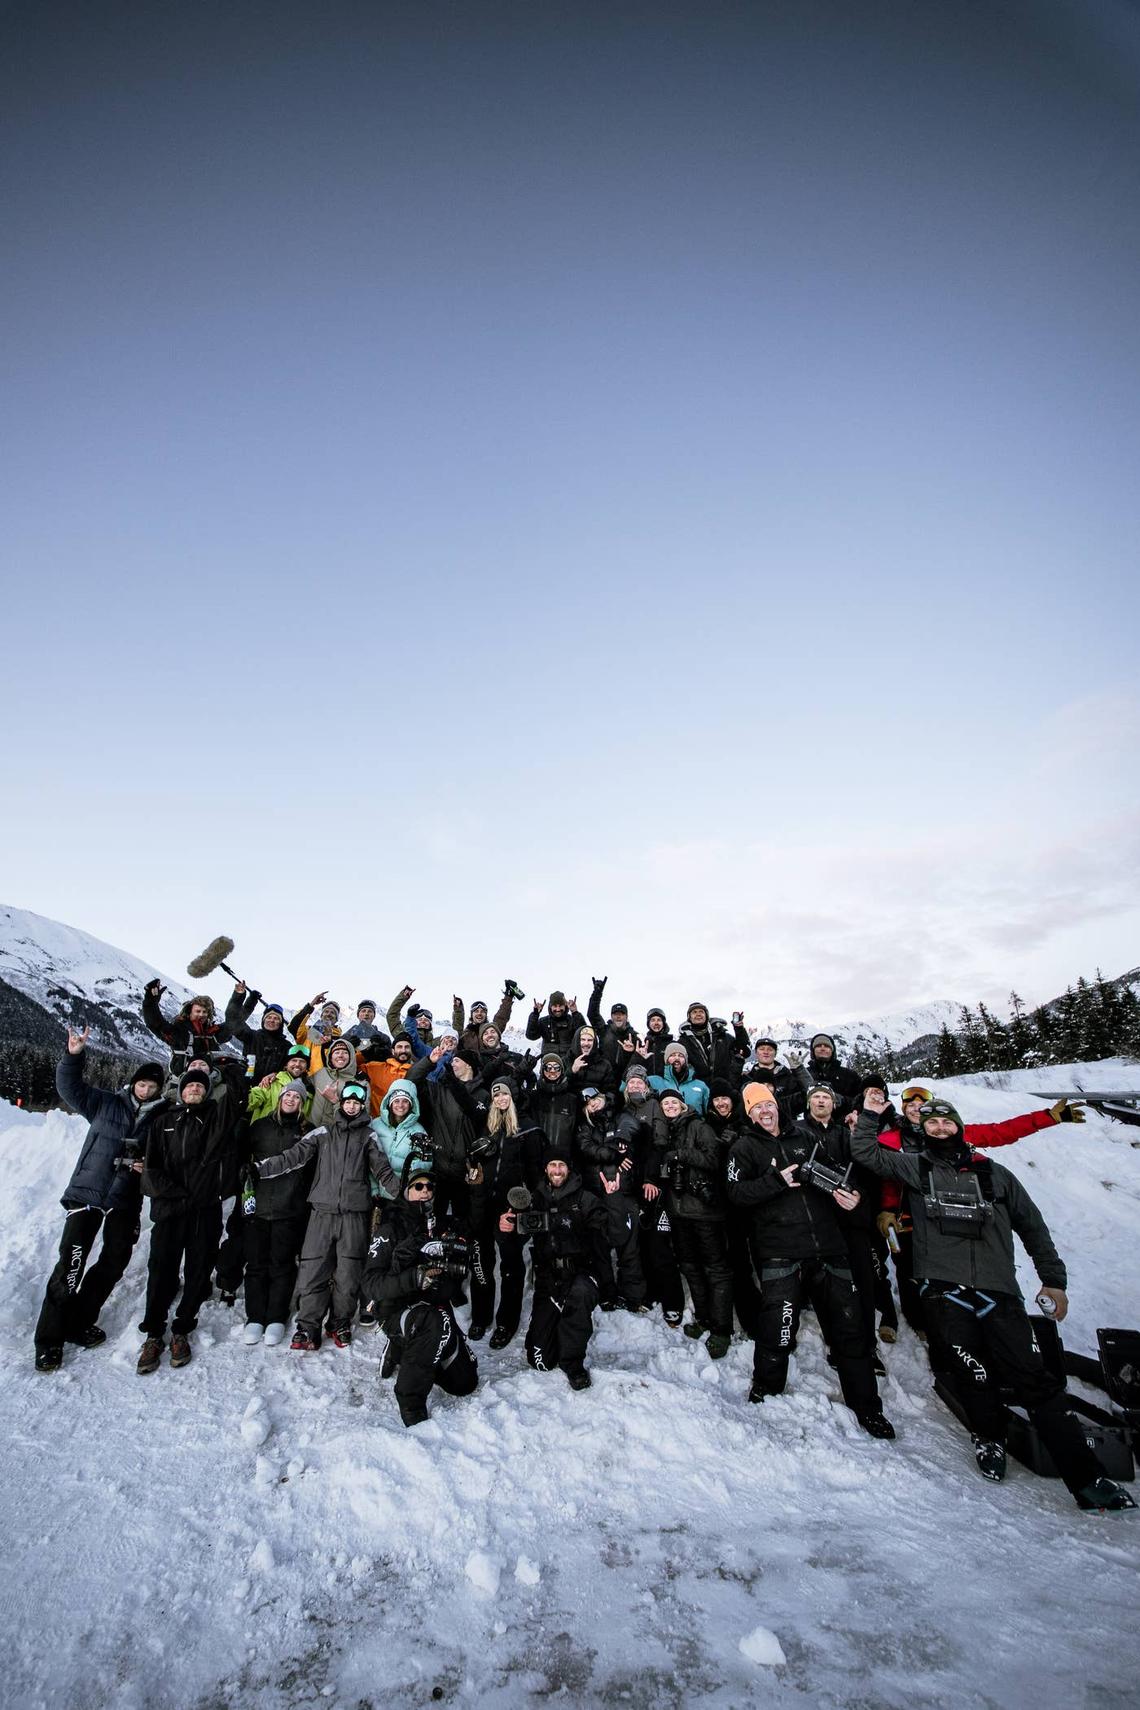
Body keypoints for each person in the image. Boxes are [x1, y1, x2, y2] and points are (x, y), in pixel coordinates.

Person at [851, 1090, 1133, 1508]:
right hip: (944, 1293)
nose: (940, 1128)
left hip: (997, 1292)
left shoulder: (995, 1174)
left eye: (947, 1122)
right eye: (931, 1123)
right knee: (974, 1374)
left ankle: (1085, 1477)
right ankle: (988, 1438)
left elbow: (1033, 1227)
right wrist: (872, 1115)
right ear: (922, 1130)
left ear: (960, 1127)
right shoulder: (915, 1168)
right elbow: (867, 1153)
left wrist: (1053, 1280)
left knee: (1035, 1382)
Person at [726, 1094, 895, 1438]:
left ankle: (867, 1407)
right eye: (756, 1106)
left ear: (777, 1107)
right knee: (778, 1328)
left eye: (768, 1104)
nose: (764, 1110)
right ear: (750, 1113)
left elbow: (839, 1173)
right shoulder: (743, 1148)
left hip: (829, 1248)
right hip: (779, 1251)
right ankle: (766, 1391)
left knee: (850, 1331)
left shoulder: (805, 1136)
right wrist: (776, 1181)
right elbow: (734, 1194)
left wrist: (851, 1195)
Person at [874, 1086, 1087, 1339]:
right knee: (909, 1269)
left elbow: (999, 1132)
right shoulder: (892, 1139)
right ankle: (920, 1321)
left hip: (953, 1215)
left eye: (923, 1104)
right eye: (911, 1104)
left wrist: (1047, 1117)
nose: (916, 1108)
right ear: (904, 1108)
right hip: (909, 1216)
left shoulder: (955, 1132)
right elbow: (886, 1176)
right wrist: (887, 1208)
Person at [34, 1029, 166, 1372]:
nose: (146, 1090)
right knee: (72, 1266)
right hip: (88, 1196)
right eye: (142, 1084)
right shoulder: (106, 1102)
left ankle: (78, 1323)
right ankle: (48, 1340)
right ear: (134, 1083)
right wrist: (73, 1055)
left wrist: (146, 1165)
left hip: (124, 1200)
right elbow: (70, 1088)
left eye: (153, 1087)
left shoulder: (159, 1120)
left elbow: (166, 1157)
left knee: (114, 1261)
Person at [255, 1080, 398, 1350]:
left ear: (362, 1105)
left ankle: (340, 1322)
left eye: (357, 1102)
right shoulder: (322, 1132)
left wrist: (407, 1194)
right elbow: (291, 1157)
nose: (352, 1106)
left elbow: (383, 1171)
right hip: (321, 1213)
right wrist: (259, 1169)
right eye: (348, 1101)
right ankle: (308, 1326)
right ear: (341, 1104)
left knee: (348, 1274)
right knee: (313, 1270)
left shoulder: (368, 1136)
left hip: (354, 1215)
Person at [136, 1067, 240, 1373]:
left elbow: (233, 1100)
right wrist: (176, 1193)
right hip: (170, 1209)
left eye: (200, 1086)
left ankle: (182, 1328)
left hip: (204, 1210)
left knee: (199, 1270)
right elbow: (150, 1171)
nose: (194, 1089)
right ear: (180, 1090)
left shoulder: (214, 1118)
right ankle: (154, 1333)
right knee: (160, 1269)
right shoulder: (163, 1122)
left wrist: (231, 1070)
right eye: (189, 1085)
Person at [361, 1163, 479, 1427]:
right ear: (406, 1191)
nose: (424, 1191)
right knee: (431, 1322)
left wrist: (477, 1189)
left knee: (465, 1383)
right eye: (418, 1186)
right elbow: (371, 1284)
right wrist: (414, 1278)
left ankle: (411, 1353)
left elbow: (474, 1224)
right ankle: (410, 1400)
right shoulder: (390, 1229)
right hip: (398, 1309)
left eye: (429, 1187)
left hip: (435, 1306)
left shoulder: (440, 1226)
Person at [499, 1141, 612, 1390]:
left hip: (581, 1272)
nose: (557, 1170)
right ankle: (554, 1325)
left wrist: (606, 1284)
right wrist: (508, 1227)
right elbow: (518, 1235)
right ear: (546, 1169)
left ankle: (573, 1362)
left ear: (569, 1169)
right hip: (549, 1277)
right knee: (540, 1360)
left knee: (579, 1297)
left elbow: (604, 1240)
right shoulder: (536, 1198)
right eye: (552, 1165)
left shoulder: (586, 1199)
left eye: (562, 1165)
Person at [466, 1077, 541, 1345]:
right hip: (481, 1205)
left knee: (511, 1266)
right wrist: (472, 1170)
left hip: (510, 1207)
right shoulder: (484, 1127)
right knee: (481, 1263)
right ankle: (480, 1317)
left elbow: (534, 1173)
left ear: (511, 1098)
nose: (500, 1099)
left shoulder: (523, 1130)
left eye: (504, 1095)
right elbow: (472, 1163)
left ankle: (506, 1323)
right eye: (496, 1095)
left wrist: (524, 1205)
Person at [659, 1088, 733, 1357]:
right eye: (665, 1103)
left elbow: (714, 1160)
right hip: (678, 1212)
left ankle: (722, 1328)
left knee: (716, 1269)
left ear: (683, 1105)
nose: (669, 1106)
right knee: (690, 1267)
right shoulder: (664, 1131)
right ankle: (704, 1318)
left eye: (673, 1102)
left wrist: (681, 1155)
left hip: (704, 1211)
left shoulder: (698, 1126)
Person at [242, 1079, 315, 1346]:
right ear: (280, 1097)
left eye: (297, 1098)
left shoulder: (308, 1131)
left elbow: (313, 1171)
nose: (291, 1100)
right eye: (288, 1095)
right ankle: (255, 1317)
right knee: (257, 1264)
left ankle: (276, 1317)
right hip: (258, 1207)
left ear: (302, 1103)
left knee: (282, 1265)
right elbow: (243, 1159)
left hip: (290, 1208)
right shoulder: (260, 1127)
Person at [575, 1089, 648, 1312]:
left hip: (623, 1191)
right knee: (599, 1247)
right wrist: (616, 1154)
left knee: (630, 1246)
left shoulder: (620, 1116)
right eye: (588, 1104)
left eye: (596, 1099)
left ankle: (633, 1296)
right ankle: (607, 1293)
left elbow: (632, 1125)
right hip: (597, 1193)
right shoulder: (585, 1127)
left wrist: (622, 1138)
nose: (594, 1105)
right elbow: (588, 1149)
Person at [141, 980, 231, 1079]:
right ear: (190, 1011)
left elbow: (235, 1022)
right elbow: (155, 1024)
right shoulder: (179, 1031)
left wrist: (240, 995)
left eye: (204, 1012)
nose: (201, 1014)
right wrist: (150, 1002)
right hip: (181, 1082)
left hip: (212, 1081)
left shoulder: (213, 1032)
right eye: (198, 1011)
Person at [224, 981, 293, 1081]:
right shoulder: (251, 1036)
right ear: (263, 1020)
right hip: (247, 1086)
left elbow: (291, 1069)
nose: (272, 1020)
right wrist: (241, 996)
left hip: (273, 1090)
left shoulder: (287, 1046)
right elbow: (232, 1020)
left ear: (280, 1023)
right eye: (268, 1017)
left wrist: (277, 1074)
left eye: (276, 1018)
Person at [678, 1001, 746, 1088]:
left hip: (725, 1087)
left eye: (701, 1012)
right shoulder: (683, 1042)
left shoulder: (723, 1036)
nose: (698, 1014)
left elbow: (744, 1051)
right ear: (689, 1017)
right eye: (694, 1012)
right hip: (698, 1090)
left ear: (706, 1015)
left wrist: (739, 1029)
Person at [801, 1033, 862, 1114]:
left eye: (826, 1046)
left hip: (843, 1123)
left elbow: (861, 1101)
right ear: (813, 1051)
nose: (822, 1048)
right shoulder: (804, 1073)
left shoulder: (849, 1075)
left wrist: (842, 1100)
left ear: (832, 1051)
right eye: (818, 1046)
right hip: (810, 1124)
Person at [647, 1043, 708, 1114]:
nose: (677, 1058)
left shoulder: (700, 1085)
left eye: (681, 1056)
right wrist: (638, 1058)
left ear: (686, 1060)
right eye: (672, 1055)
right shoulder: (653, 1081)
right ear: (666, 1059)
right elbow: (633, 1082)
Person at [453, 982, 517, 1049]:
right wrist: (458, 1010)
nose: (479, 1014)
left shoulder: (491, 1030)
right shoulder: (465, 1035)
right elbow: (457, 1026)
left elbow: (501, 1017)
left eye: (482, 1011)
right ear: (472, 1015)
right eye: (476, 1011)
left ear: (486, 1015)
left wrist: (508, 997)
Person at [287, 993, 343, 1069]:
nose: (328, 1014)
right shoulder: (307, 1031)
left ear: (336, 1019)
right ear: (321, 1015)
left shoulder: (340, 1039)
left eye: (332, 1013)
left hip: (329, 1077)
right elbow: (293, 1026)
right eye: (326, 1012)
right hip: (306, 1076)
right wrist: (311, 1005)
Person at [525, 990, 587, 1055]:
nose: (558, 1009)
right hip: (549, 1062)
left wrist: (575, 1012)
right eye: (555, 1006)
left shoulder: (572, 1020)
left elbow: (584, 1035)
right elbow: (531, 1036)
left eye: (560, 1006)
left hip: (569, 1062)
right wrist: (535, 1014)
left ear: (565, 1006)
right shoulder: (543, 1021)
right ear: (550, 1007)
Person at [565, 1024, 617, 1096]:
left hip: (594, 1105)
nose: (586, 1043)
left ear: (595, 1042)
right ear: (576, 1041)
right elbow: (559, 1089)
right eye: (582, 1040)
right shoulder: (565, 1061)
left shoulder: (605, 1065)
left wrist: (603, 1101)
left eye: (590, 1040)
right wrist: (572, 1071)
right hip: (571, 1105)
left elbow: (611, 1092)